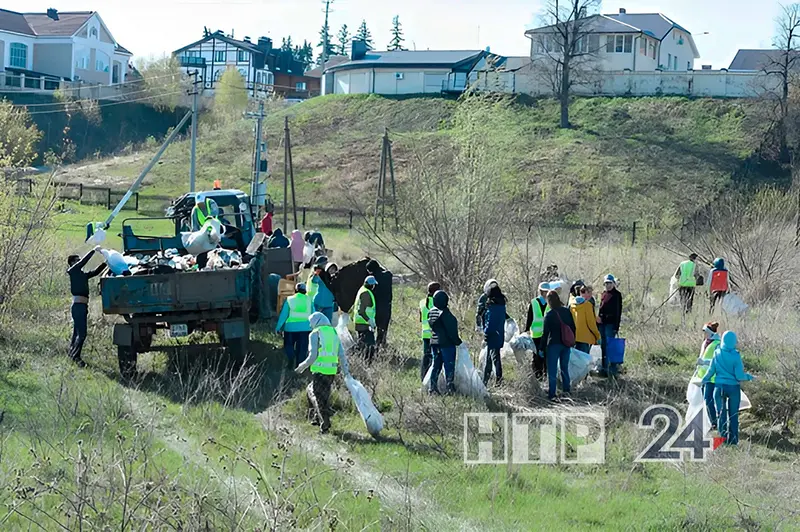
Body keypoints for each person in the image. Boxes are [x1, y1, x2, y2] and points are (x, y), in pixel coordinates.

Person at [296, 312, 347, 434]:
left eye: (311, 322)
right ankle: (317, 419)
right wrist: (346, 371)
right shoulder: (334, 332)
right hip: (331, 371)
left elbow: (313, 355)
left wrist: (301, 367)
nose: (310, 325)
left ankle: (324, 422)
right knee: (323, 397)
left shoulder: (315, 333)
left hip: (319, 370)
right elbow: (341, 354)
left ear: (316, 321)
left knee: (314, 394)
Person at [701, 330, 754, 445]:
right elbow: (739, 376)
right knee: (733, 415)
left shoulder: (716, 353)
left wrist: (703, 380)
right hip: (733, 388)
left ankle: (722, 440)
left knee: (721, 414)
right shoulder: (736, 356)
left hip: (719, 387)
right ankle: (733, 441)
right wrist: (749, 377)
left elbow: (710, 371)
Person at [67, 246, 107, 367]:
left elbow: (95, 272)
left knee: (77, 332)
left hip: (82, 306)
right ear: (72, 263)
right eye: (77, 260)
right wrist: (93, 251)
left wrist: (106, 262)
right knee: (82, 333)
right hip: (78, 306)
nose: (79, 262)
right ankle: (76, 357)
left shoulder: (81, 275)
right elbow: (84, 261)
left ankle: (71, 353)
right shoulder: (73, 271)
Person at [541, 291, 576, 401]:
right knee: (564, 368)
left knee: (552, 370)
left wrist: (541, 348)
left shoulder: (549, 315)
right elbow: (573, 327)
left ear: (549, 301)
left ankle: (552, 394)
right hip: (566, 344)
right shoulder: (566, 311)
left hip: (554, 345)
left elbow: (545, 334)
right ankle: (567, 390)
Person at [427, 290, 462, 395]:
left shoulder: (431, 312)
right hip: (447, 344)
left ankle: (432, 388)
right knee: (449, 366)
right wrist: (458, 342)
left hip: (434, 342)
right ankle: (449, 388)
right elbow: (451, 331)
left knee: (436, 366)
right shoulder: (446, 314)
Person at [275, 283, 312, 369]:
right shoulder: (310, 300)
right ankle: (299, 366)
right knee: (302, 348)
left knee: (288, 345)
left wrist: (278, 327)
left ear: (295, 290)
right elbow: (313, 314)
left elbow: (284, 315)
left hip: (290, 328)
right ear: (305, 291)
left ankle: (291, 358)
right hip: (305, 328)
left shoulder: (289, 299)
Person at [694, 322, 721, 429]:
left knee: (708, 400)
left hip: (712, 377)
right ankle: (710, 421)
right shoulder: (705, 342)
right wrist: (697, 370)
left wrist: (704, 362)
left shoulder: (718, 344)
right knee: (705, 400)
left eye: (705, 331)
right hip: (702, 376)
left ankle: (714, 423)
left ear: (709, 332)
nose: (703, 334)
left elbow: (718, 361)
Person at [524, 282, 551, 380]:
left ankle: (538, 376)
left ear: (540, 291)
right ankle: (545, 376)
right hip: (547, 334)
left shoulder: (534, 302)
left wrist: (526, 330)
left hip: (535, 334)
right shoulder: (551, 302)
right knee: (546, 356)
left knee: (536, 357)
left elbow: (529, 318)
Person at [598, 274, 623, 376]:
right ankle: (604, 367)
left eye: (609, 283)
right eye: (606, 283)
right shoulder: (604, 294)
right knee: (602, 346)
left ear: (613, 283)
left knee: (610, 346)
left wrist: (616, 327)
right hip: (602, 324)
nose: (608, 285)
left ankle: (611, 370)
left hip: (610, 324)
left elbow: (618, 311)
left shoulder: (617, 295)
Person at [483, 285, 507, 387]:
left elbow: (490, 323)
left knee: (490, 359)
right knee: (495, 357)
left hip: (492, 336)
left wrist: (486, 332)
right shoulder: (502, 306)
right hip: (499, 335)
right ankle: (497, 380)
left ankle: (487, 381)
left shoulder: (493, 308)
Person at [366, 260, 393, 347]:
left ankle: (374, 346)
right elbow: (387, 272)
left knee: (374, 327)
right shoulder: (388, 275)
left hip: (376, 306)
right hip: (387, 306)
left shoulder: (373, 278)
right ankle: (381, 344)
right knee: (383, 328)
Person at [353, 276, 378, 363]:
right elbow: (361, 311)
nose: (374, 286)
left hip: (362, 323)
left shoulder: (362, 290)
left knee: (363, 345)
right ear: (370, 285)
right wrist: (369, 321)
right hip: (364, 324)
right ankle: (367, 364)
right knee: (369, 346)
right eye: (373, 284)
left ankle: (361, 363)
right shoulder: (366, 293)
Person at [419, 282, 440, 381]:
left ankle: (423, 378)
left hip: (425, 333)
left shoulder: (422, 302)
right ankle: (432, 379)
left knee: (426, 356)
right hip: (434, 333)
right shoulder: (437, 302)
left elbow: (420, 318)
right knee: (435, 357)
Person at [571, 285, 601, 354]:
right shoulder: (587, 305)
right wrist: (597, 336)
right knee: (584, 361)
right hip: (585, 338)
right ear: (584, 293)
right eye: (589, 292)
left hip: (574, 337)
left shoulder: (572, 305)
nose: (591, 294)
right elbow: (591, 323)